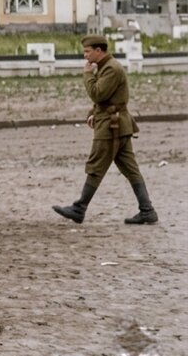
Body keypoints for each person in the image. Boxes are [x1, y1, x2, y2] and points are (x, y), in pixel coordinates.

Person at [53, 34, 158, 225]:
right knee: (130, 169)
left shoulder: (111, 69)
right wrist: (94, 112)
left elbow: (98, 94)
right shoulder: (106, 67)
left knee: (96, 166)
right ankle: (147, 210)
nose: (85, 56)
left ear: (98, 51)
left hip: (111, 127)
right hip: (116, 124)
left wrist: (87, 74)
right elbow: (107, 99)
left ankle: (79, 209)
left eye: (87, 51)